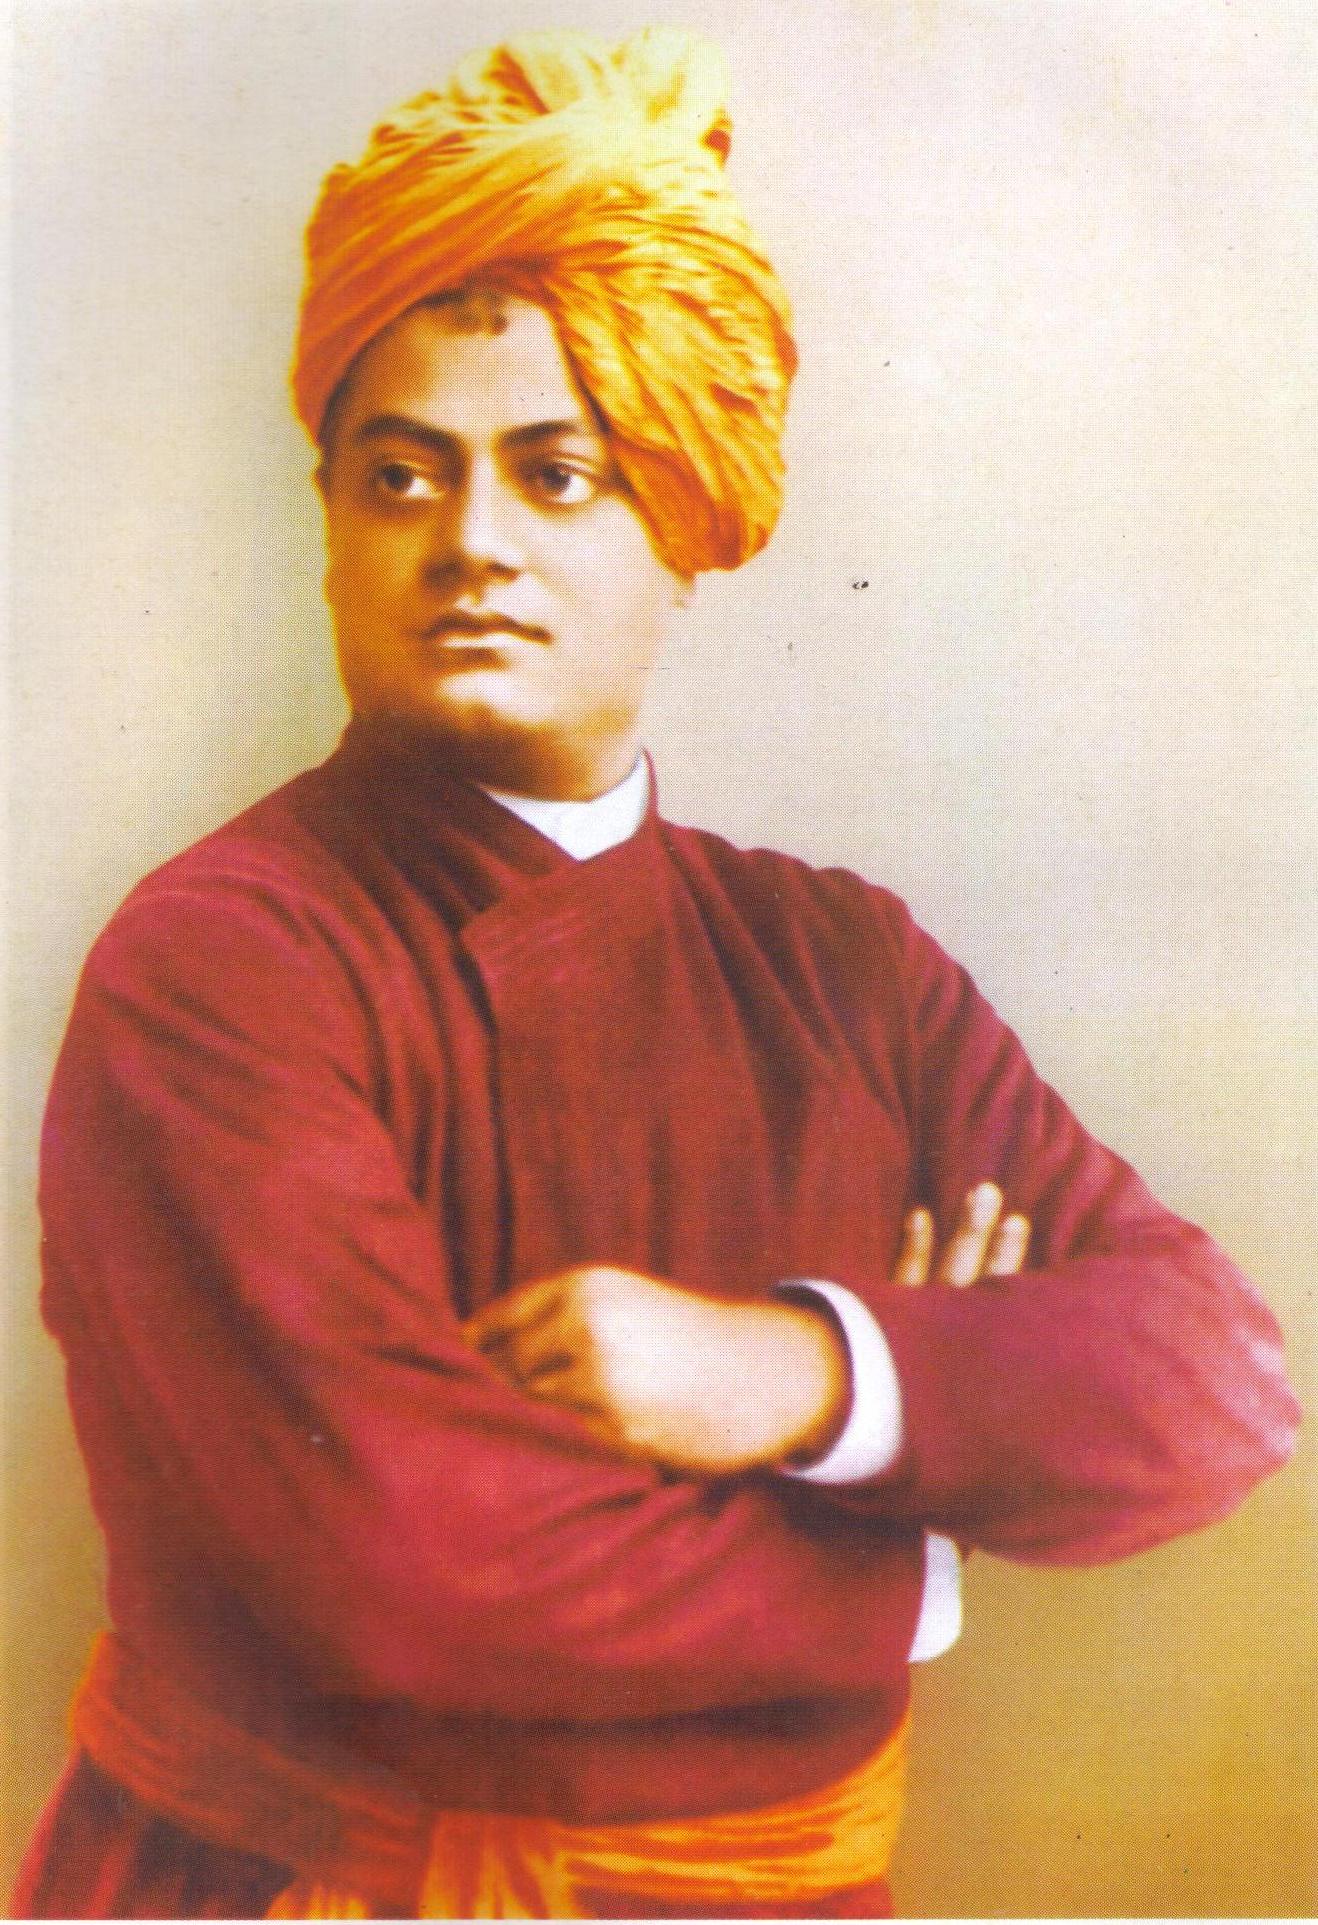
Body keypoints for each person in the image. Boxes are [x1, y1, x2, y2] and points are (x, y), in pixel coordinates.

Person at [15, 26, 1300, 1921]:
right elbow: (403, 1561)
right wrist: (920, 1528)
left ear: (688, 518)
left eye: (556, 474)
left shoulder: (840, 966)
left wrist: (788, 1368)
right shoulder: (222, 963)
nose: (470, 543)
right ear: (331, 528)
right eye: (399, 476)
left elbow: (1212, 1378)